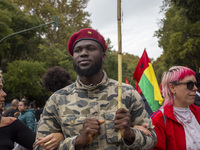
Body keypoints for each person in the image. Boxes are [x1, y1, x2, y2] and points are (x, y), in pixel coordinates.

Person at [34, 28, 157, 150]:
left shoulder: (127, 93)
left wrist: (130, 134)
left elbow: (152, 140)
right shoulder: (57, 99)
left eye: (91, 49)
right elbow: (39, 147)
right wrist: (77, 142)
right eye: (77, 50)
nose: (83, 53)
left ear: (103, 56)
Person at [151, 66, 200, 149]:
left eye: (196, 84)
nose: (195, 88)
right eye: (190, 84)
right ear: (172, 87)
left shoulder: (197, 112)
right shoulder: (159, 119)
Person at [0, 73, 36, 150]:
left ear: (26, 106)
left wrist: (58, 137)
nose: (4, 94)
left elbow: (41, 144)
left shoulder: (11, 123)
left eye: (21, 105)